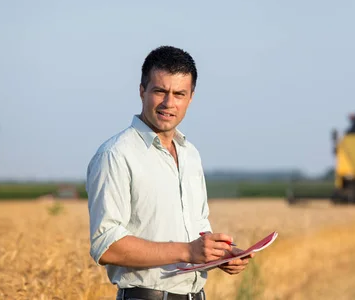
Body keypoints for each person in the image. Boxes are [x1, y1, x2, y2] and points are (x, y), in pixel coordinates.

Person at [86, 46, 255, 300]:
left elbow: (197, 230)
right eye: (160, 91)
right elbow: (107, 246)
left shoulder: (191, 155)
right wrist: (188, 251)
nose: (169, 103)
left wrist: (218, 254)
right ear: (142, 91)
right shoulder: (116, 155)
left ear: (191, 98)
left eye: (179, 94)